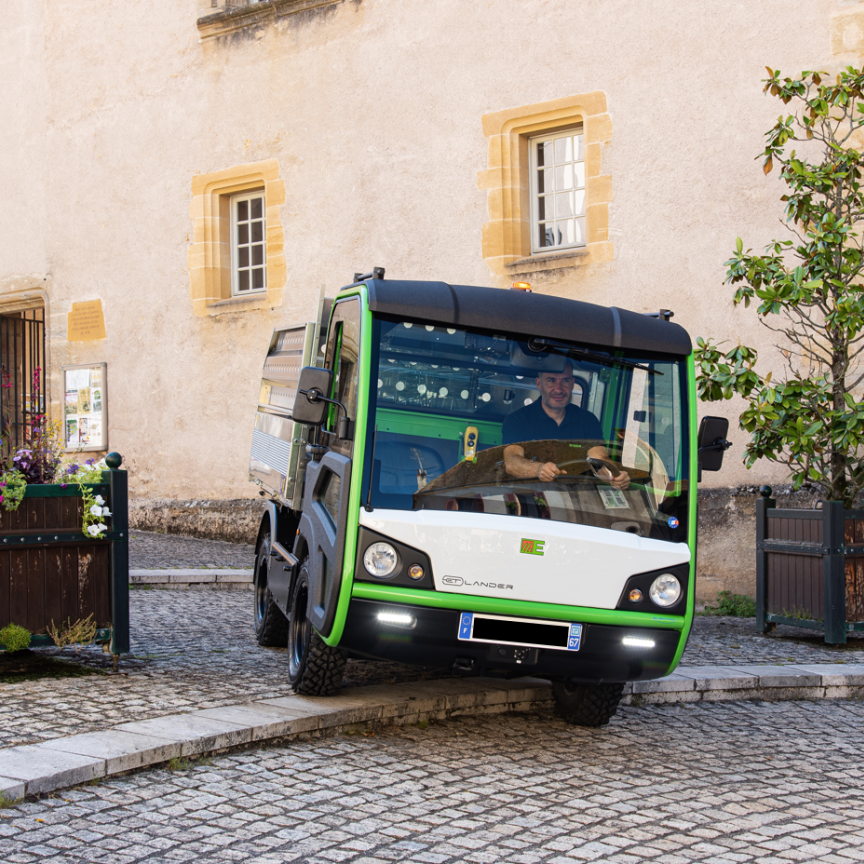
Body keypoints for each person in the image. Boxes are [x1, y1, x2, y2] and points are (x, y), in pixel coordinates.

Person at [502, 360, 630, 489]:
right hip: (532, 497)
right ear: (539, 384)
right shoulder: (517, 420)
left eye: (565, 381)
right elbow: (512, 462)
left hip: (576, 498)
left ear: (573, 383)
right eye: (551, 380)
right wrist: (539, 469)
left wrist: (614, 476)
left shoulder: (587, 420)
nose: (558, 389)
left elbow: (599, 460)